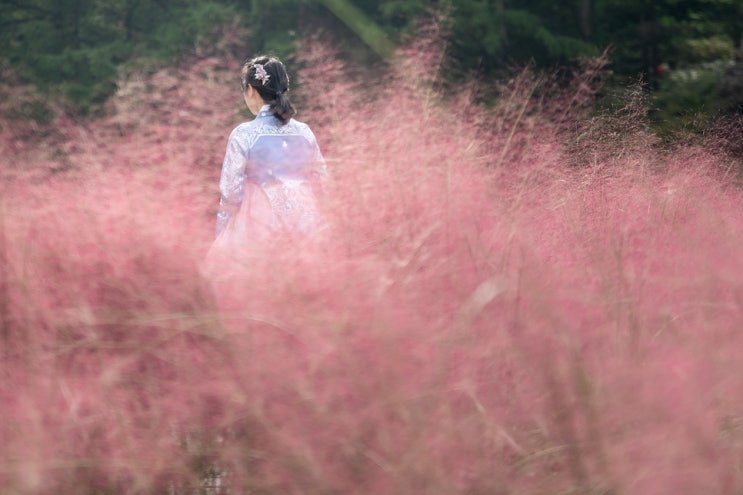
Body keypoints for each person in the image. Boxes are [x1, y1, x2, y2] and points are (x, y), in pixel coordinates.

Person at [212, 55, 328, 251]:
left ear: (250, 90)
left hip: (260, 226)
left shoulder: (243, 134)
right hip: (307, 224)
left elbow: (231, 193)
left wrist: (221, 233)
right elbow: (323, 183)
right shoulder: (304, 131)